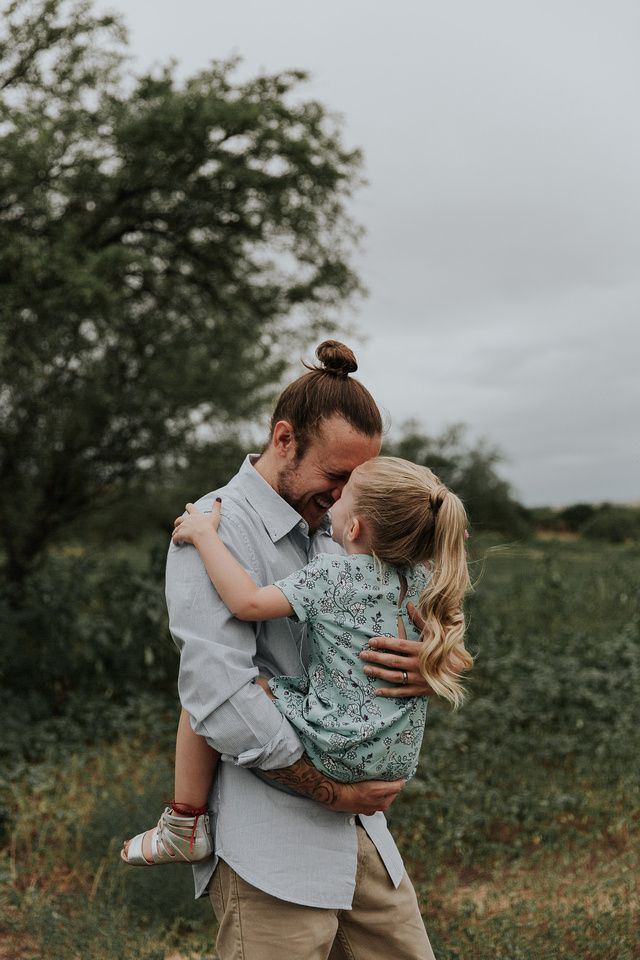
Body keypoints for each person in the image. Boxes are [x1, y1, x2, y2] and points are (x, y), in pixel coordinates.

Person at [124, 341, 449, 960]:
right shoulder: (215, 529)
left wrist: (428, 666)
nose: (344, 495)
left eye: (358, 480)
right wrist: (332, 788)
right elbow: (218, 698)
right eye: (336, 476)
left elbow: (419, 617)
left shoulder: (348, 526)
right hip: (272, 845)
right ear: (283, 438)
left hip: (364, 838)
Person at [123, 455, 472, 869]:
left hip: (339, 748)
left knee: (208, 692)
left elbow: (247, 602)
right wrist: (435, 666)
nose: (337, 496)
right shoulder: (423, 582)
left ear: (356, 527)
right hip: (394, 764)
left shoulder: (332, 574)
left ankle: (183, 825)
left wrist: (205, 537)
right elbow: (458, 657)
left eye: (347, 491)